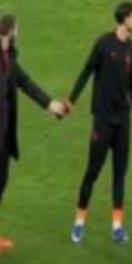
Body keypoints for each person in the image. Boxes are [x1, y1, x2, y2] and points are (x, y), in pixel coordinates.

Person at [67, 2, 132, 245]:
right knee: (92, 171)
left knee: (120, 174)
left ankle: (117, 227)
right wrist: (71, 100)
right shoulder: (103, 44)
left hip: (123, 122)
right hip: (103, 121)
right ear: (124, 19)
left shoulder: (131, 48)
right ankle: (79, 222)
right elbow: (86, 72)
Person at [0, 14, 67, 251]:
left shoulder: (9, 58)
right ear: (10, 31)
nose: (18, 32)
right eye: (17, 29)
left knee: (1, 182)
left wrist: (50, 104)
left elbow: (26, 83)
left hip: (4, 135)